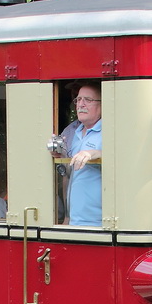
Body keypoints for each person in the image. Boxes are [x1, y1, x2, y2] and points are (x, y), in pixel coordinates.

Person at [59, 82, 103, 226]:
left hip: (99, 223)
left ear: (103, 105)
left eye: (88, 100)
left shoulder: (110, 131)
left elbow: (125, 158)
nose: (81, 104)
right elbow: (67, 176)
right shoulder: (74, 133)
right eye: (78, 100)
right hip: (75, 221)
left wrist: (97, 153)